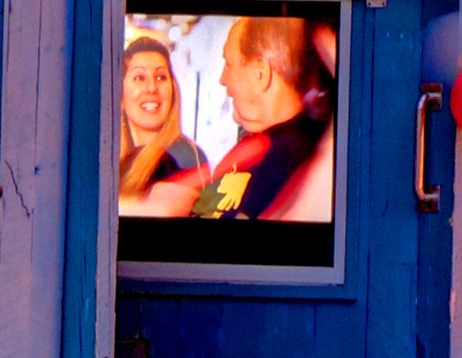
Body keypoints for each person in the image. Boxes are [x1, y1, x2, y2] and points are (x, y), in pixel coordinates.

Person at [179, 13, 336, 226]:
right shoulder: (259, 150)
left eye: (229, 63)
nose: (222, 79)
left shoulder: (294, 161)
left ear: (261, 74)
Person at [112, 32, 210, 210]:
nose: (151, 88)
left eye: (160, 77)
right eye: (139, 78)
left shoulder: (184, 155)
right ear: (120, 94)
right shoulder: (115, 160)